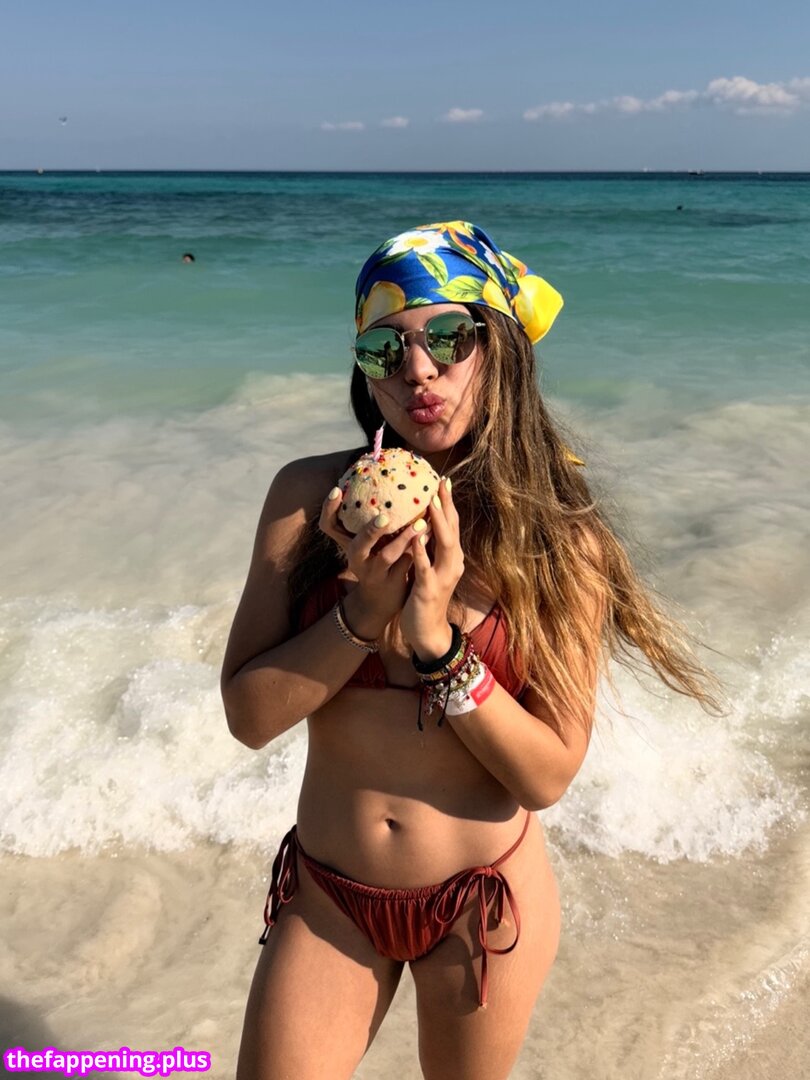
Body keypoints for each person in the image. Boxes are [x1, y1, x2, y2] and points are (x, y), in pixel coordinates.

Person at [221, 221, 717, 1080]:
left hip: (482, 905)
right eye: (385, 348)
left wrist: (441, 647)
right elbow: (248, 717)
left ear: (500, 351)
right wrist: (361, 615)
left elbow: (546, 776)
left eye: (449, 339)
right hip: (329, 897)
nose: (418, 371)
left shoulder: (559, 538)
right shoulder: (309, 500)